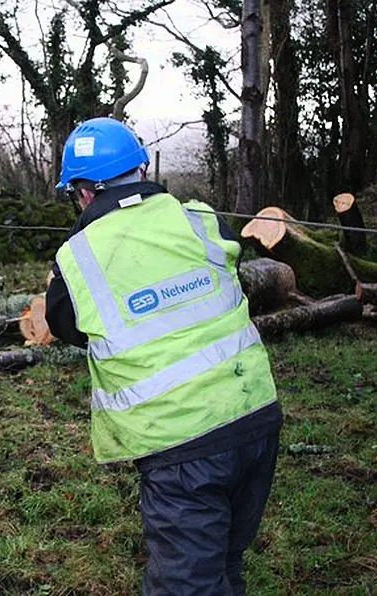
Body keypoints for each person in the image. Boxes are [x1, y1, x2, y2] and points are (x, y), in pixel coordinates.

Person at [45, 117, 283, 595]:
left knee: (186, 585)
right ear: (139, 168)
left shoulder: (78, 256)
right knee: (224, 564)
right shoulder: (200, 219)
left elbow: (65, 326)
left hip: (182, 445)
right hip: (256, 413)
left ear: (85, 193)